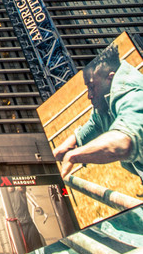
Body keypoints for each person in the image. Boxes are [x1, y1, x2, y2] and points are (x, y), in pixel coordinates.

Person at [53, 43, 143, 180]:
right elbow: (96, 124)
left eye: (92, 87)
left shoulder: (130, 93)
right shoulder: (105, 101)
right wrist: (67, 145)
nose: (89, 95)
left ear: (110, 78)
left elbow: (123, 142)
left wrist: (74, 156)